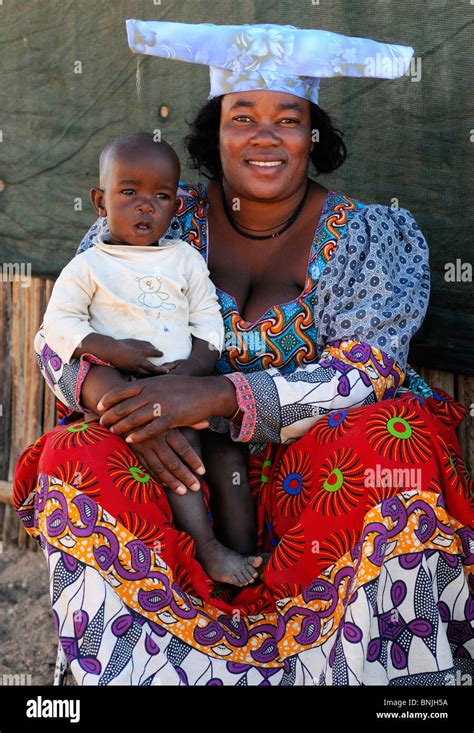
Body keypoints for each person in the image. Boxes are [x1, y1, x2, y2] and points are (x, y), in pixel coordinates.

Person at [14, 21, 473, 686]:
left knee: (398, 445)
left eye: (288, 119)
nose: (264, 136)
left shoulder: (370, 236)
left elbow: (369, 368)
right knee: (76, 452)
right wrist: (130, 411)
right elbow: (57, 336)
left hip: (318, 474)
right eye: (242, 116)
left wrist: (220, 395)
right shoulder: (153, 216)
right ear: (213, 130)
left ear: (313, 135)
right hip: (181, 470)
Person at [42, 131, 264, 587]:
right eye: (129, 192)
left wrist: (197, 370)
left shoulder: (183, 258)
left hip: (192, 393)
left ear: (175, 207)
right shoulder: (89, 267)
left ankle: (246, 557)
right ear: (100, 201)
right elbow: (58, 325)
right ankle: (206, 549)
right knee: (179, 470)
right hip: (135, 392)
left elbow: (207, 320)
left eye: (161, 196)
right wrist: (111, 350)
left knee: (228, 461)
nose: (146, 205)